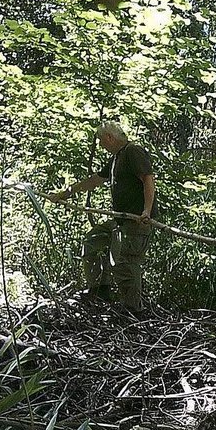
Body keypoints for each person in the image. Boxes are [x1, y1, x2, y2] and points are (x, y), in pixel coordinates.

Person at [52, 121, 155, 313]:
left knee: (125, 263)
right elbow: (95, 180)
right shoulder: (118, 157)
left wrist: (146, 211)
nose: (100, 145)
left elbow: (148, 179)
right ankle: (100, 290)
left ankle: (133, 310)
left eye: (100, 140)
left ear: (109, 138)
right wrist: (66, 193)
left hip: (135, 222)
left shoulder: (133, 152)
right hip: (119, 220)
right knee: (92, 242)